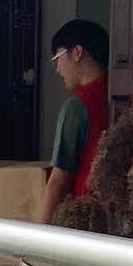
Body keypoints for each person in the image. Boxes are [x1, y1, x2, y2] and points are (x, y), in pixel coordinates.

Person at [38, 19, 110, 224]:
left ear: (77, 52)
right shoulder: (121, 96)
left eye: (57, 58)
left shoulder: (76, 106)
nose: (57, 68)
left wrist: (40, 233)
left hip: (84, 218)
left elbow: (58, 181)